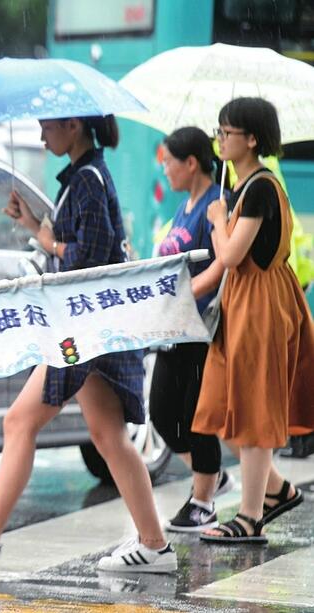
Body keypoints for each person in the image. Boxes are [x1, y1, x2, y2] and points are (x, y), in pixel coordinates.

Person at [0, 115, 176, 573]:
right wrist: (36, 224)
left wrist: (51, 242)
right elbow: (82, 245)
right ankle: (155, 545)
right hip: (91, 325)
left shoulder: (87, 179)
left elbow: (91, 255)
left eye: (48, 127)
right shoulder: (87, 175)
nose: (42, 136)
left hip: (81, 327)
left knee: (20, 420)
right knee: (108, 436)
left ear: (74, 127)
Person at [193, 97, 314, 544]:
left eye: (227, 132)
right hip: (245, 303)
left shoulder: (260, 187)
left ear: (253, 139)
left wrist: (219, 221)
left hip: (260, 304)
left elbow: (229, 255)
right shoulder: (245, 188)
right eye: (219, 130)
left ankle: (250, 516)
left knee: (253, 408)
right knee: (224, 407)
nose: (220, 139)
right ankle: (277, 489)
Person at [149, 127, 230, 532]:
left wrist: (182, 296)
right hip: (173, 327)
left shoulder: (217, 205)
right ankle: (210, 475)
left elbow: (219, 268)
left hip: (200, 329)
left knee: (196, 416)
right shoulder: (185, 207)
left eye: (169, 161)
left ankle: (203, 501)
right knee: (161, 413)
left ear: (191, 162)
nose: (164, 168)